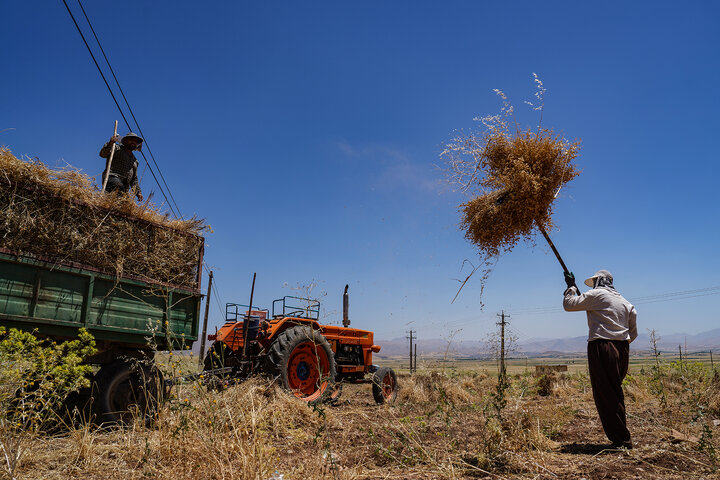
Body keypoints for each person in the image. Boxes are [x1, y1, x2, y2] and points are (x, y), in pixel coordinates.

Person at [563, 269, 638, 449]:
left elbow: (569, 304)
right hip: (622, 349)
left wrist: (570, 287)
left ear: (599, 281)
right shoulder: (625, 302)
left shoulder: (597, 295)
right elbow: (633, 333)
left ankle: (621, 439)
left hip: (602, 347)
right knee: (614, 391)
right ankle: (621, 436)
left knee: (605, 393)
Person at [99, 132, 143, 201]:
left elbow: (134, 179)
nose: (134, 142)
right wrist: (110, 143)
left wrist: (138, 192)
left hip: (124, 188)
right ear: (125, 141)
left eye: (135, 141)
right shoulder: (116, 148)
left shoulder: (135, 161)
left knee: (126, 204)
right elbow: (103, 154)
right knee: (118, 187)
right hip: (112, 177)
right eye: (131, 140)